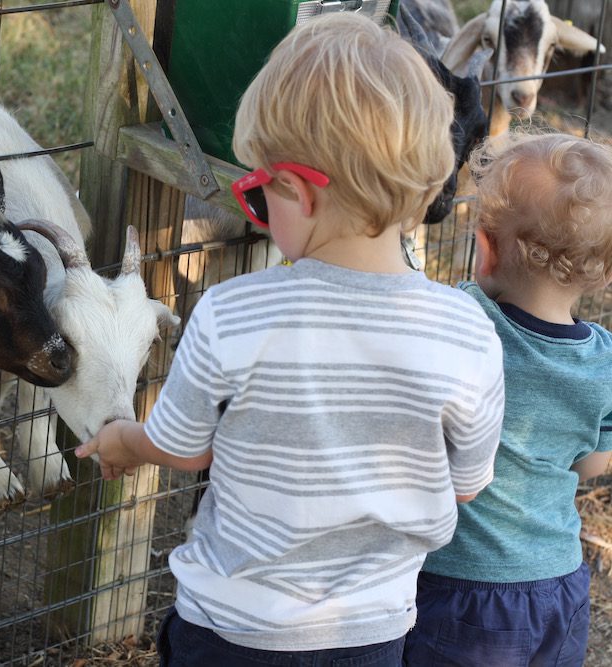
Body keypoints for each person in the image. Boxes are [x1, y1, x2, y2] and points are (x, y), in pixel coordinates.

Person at [74, 12, 505, 666]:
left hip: (231, 630)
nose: (255, 208)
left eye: (256, 193)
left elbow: (182, 447)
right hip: (374, 632)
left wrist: (123, 442)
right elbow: (468, 484)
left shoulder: (232, 314)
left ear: (299, 193)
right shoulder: (468, 331)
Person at [403, 131, 612, 666]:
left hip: (461, 584)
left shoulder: (461, 318)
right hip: (559, 584)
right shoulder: (605, 360)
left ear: (486, 246)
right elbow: (592, 463)